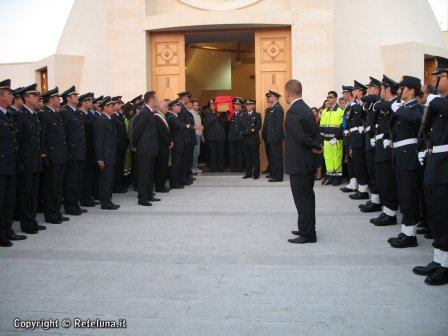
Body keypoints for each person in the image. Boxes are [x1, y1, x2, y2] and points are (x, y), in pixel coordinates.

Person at [413, 56, 448, 285]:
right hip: (435, 163)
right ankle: (439, 258)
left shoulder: (440, 102)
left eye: (440, 75)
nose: (434, 79)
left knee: (444, 216)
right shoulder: (438, 102)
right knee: (435, 214)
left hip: (445, 165)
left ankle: (445, 265)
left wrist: (433, 100)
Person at [284, 79, 323, 244]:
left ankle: (308, 234)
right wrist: (316, 146)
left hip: (299, 163)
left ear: (287, 93)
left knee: (303, 199)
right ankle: (305, 228)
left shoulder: (293, 111)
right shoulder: (307, 109)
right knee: (307, 197)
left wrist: (315, 146)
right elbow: (315, 133)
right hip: (307, 161)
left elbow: (299, 136)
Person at [387, 76, 424, 248]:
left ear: (411, 90)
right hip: (400, 157)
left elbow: (417, 119)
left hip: (409, 158)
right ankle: (405, 232)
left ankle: (411, 235)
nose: (399, 92)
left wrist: (398, 109)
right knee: (403, 195)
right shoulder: (402, 108)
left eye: (402, 89)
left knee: (409, 196)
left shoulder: (416, 107)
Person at [14, 84, 45, 234]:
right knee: (26, 193)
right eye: (34, 96)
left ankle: (32, 220)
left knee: (33, 193)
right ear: (26, 98)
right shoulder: (20, 115)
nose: (37, 98)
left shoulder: (33, 115)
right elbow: (18, 141)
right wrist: (20, 162)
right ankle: (26, 223)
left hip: (35, 160)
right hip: (26, 161)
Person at [369, 75, 400, 226]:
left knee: (388, 182)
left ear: (388, 89)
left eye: (381, 88)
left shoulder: (395, 104)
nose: (380, 91)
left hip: (388, 148)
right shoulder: (388, 104)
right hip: (381, 146)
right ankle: (386, 210)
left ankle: (391, 213)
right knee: (382, 180)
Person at [0, 79, 26, 247]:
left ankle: (8, 230)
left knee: (9, 201)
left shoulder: (7, 114)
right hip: (1, 167)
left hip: (11, 165)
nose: (12, 97)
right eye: (9, 94)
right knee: (1, 202)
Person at [39, 86, 69, 224]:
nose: (59, 100)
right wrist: (44, 155)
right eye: (57, 97)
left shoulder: (55, 114)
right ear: (51, 99)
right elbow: (42, 137)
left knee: (58, 186)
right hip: (52, 156)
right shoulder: (44, 114)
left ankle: (56, 212)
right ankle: (50, 214)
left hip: (60, 155)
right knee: (51, 187)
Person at [59, 85, 87, 216]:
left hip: (80, 152)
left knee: (78, 180)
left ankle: (76, 204)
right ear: (68, 98)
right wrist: (68, 152)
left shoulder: (75, 112)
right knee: (71, 181)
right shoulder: (64, 113)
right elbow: (64, 134)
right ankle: (70, 206)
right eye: (75, 96)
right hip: (72, 152)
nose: (77, 97)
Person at [358, 77, 382, 213]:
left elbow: (365, 99)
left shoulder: (377, 102)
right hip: (369, 139)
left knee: (374, 172)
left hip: (374, 140)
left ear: (377, 89)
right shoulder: (372, 103)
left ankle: (377, 200)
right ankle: (374, 198)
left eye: (370, 88)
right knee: (371, 171)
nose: (368, 91)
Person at [132, 91, 160, 206]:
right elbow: (137, 130)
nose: (157, 101)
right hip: (144, 149)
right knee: (144, 174)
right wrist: (135, 145)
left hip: (150, 149)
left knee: (149, 174)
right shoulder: (144, 113)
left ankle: (149, 194)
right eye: (156, 99)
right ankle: (142, 198)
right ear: (151, 100)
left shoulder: (150, 112)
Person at [94, 96, 120, 210]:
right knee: (105, 180)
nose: (113, 108)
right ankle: (105, 202)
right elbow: (98, 141)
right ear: (105, 107)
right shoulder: (101, 120)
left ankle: (108, 200)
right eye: (111, 106)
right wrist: (100, 158)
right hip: (105, 156)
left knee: (109, 180)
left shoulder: (109, 119)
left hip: (110, 155)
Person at [347, 81, 370, 200]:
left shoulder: (365, 103)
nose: (353, 92)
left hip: (361, 137)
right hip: (355, 137)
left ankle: (364, 189)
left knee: (361, 164)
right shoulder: (358, 104)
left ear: (361, 91)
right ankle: (361, 188)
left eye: (355, 90)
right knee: (357, 164)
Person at [320, 90, 344, 186]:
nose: (328, 99)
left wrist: (336, 137)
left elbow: (342, 125)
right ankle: (329, 177)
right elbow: (321, 126)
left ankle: (337, 178)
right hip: (326, 139)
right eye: (328, 97)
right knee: (328, 158)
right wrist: (320, 139)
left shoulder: (340, 110)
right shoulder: (325, 111)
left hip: (336, 139)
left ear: (335, 98)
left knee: (337, 158)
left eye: (330, 97)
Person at [78, 92, 97, 207]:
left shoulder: (89, 115)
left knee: (89, 176)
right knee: (85, 177)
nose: (91, 103)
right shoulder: (80, 115)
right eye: (89, 101)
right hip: (85, 150)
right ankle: (84, 198)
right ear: (84, 103)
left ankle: (88, 197)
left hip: (90, 151)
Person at [265, 90, 285, 182]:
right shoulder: (274, 108)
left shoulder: (278, 108)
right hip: (272, 137)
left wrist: (276, 138)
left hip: (275, 138)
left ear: (275, 97)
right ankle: (273, 173)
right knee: (273, 157)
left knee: (277, 157)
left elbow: (278, 125)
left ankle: (278, 177)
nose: (268, 98)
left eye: (270, 96)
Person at [153, 99, 172, 193]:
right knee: (160, 167)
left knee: (163, 167)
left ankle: (162, 184)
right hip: (161, 147)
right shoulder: (157, 117)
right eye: (164, 107)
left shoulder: (163, 116)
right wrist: (169, 142)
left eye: (167, 107)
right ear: (159, 108)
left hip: (165, 146)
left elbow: (166, 131)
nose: (167, 109)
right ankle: (159, 186)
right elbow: (161, 133)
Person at [241, 98, 261, 179]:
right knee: (247, 157)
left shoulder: (257, 115)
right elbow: (241, 126)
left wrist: (248, 131)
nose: (248, 106)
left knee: (255, 157)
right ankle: (248, 173)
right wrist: (244, 132)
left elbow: (258, 126)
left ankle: (256, 174)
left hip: (253, 139)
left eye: (250, 104)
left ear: (253, 105)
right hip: (245, 139)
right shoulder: (243, 114)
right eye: (247, 105)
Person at [111, 96, 128, 193]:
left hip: (122, 145)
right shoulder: (113, 116)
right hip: (118, 146)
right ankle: (116, 186)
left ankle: (119, 185)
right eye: (118, 104)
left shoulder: (119, 115)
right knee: (117, 167)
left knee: (120, 166)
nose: (120, 106)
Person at [204, 102, 227, 172]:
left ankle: (221, 168)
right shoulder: (207, 114)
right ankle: (213, 168)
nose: (212, 106)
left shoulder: (221, 114)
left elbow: (224, 123)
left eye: (214, 104)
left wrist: (225, 114)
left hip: (220, 136)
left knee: (221, 153)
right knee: (213, 153)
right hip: (212, 136)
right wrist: (216, 116)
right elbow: (207, 123)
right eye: (211, 105)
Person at [228, 97, 245, 173]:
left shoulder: (243, 114)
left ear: (241, 105)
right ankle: (233, 168)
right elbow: (225, 123)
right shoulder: (230, 114)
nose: (237, 106)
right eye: (235, 104)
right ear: (233, 105)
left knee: (240, 153)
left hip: (240, 137)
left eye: (238, 104)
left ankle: (240, 168)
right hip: (232, 137)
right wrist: (227, 114)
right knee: (232, 153)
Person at [190, 99, 204, 174]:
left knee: (197, 153)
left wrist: (202, 136)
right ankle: (193, 168)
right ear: (192, 106)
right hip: (194, 135)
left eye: (198, 105)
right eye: (196, 105)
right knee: (194, 153)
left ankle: (195, 167)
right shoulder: (191, 113)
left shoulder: (198, 114)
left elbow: (200, 126)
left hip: (199, 135)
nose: (197, 106)